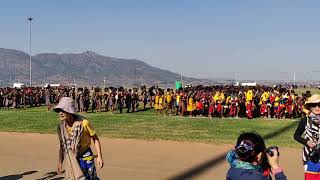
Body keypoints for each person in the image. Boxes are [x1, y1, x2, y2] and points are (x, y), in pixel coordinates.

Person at [54, 97, 104, 180]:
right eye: (59, 110)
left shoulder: (84, 123)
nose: (60, 113)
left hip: (85, 155)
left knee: (91, 178)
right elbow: (62, 145)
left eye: (63, 110)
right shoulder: (61, 127)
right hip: (71, 157)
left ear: (70, 112)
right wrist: (60, 162)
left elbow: (95, 139)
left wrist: (99, 156)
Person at [294, 94, 320, 179]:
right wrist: (307, 142)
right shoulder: (304, 120)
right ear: (309, 107)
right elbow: (296, 136)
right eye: (313, 105)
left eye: (319, 105)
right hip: (310, 157)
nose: (317, 107)